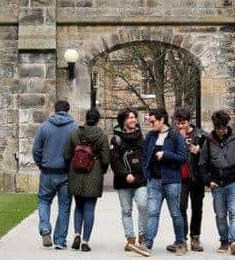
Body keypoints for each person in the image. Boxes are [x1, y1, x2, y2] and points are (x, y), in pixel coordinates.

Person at [199, 110, 235, 256]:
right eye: (218, 128)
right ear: (215, 127)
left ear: (227, 126)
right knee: (221, 215)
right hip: (217, 184)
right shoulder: (209, 141)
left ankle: (234, 241)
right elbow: (202, 164)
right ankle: (224, 241)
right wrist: (208, 181)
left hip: (234, 183)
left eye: (223, 128)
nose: (221, 131)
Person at [139, 108, 188, 256]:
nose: (151, 123)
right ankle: (147, 244)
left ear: (161, 120)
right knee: (153, 213)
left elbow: (182, 157)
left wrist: (165, 154)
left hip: (172, 181)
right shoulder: (151, 136)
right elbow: (144, 154)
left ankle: (180, 243)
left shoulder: (175, 136)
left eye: (153, 121)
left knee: (175, 213)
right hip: (154, 181)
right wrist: (146, 172)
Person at [32, 100, 79, 249]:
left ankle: (45, 228)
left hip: (47, 171)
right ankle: (59, 240)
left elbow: (36, 150)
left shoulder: (44, 126)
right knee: (64, 206)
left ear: (54, 109)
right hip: (66, 172)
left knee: (44, 200)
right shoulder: (74, 127)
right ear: (68, 110)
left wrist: (41, 163)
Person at [64, 108, 110, 252]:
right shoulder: (102, 135)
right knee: (89, 207)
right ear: (98, 119)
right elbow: (105, 159)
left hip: (76, 173)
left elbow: (66, 155)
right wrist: (101, 170)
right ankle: (85, 241)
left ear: (86, 118)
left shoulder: (74, 133)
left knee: (78, 206)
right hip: (94, 173)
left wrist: (72, 165)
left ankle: (77, 234)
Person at [110, 108, 150, 256]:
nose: (133, 120)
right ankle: (130, 239)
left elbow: (146, 156)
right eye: (130, 118)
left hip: (140, 179)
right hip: (123, 181)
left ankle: (143, 236)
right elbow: (114, 161)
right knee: (126, 211)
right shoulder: (116, 139)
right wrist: (125, 175)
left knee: (143, 205)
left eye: (134, 117)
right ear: (123, 121)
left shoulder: (142, 136)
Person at [172, 108, 207, 252]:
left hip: (196, 176)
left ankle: (195, 237)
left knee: (197, 208)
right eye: (178, 123)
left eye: (184, 123)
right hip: (180, 177)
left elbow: (210, 154)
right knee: (181, 208)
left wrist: (199, 151)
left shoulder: (201, 134)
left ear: (189, 121)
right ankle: (182, 238)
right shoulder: (173, 135)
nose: (181, 126)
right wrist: (178, 140)